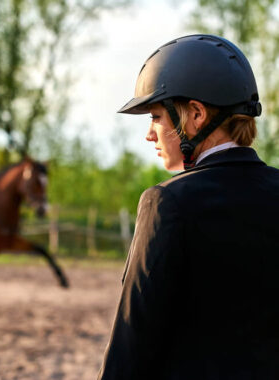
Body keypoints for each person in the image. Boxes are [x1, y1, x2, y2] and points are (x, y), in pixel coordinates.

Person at [98, 34, 279, 380]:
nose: (150, 134)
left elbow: (131, 344)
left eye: (155, 117)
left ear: (195, 115)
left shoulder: (167, 203)